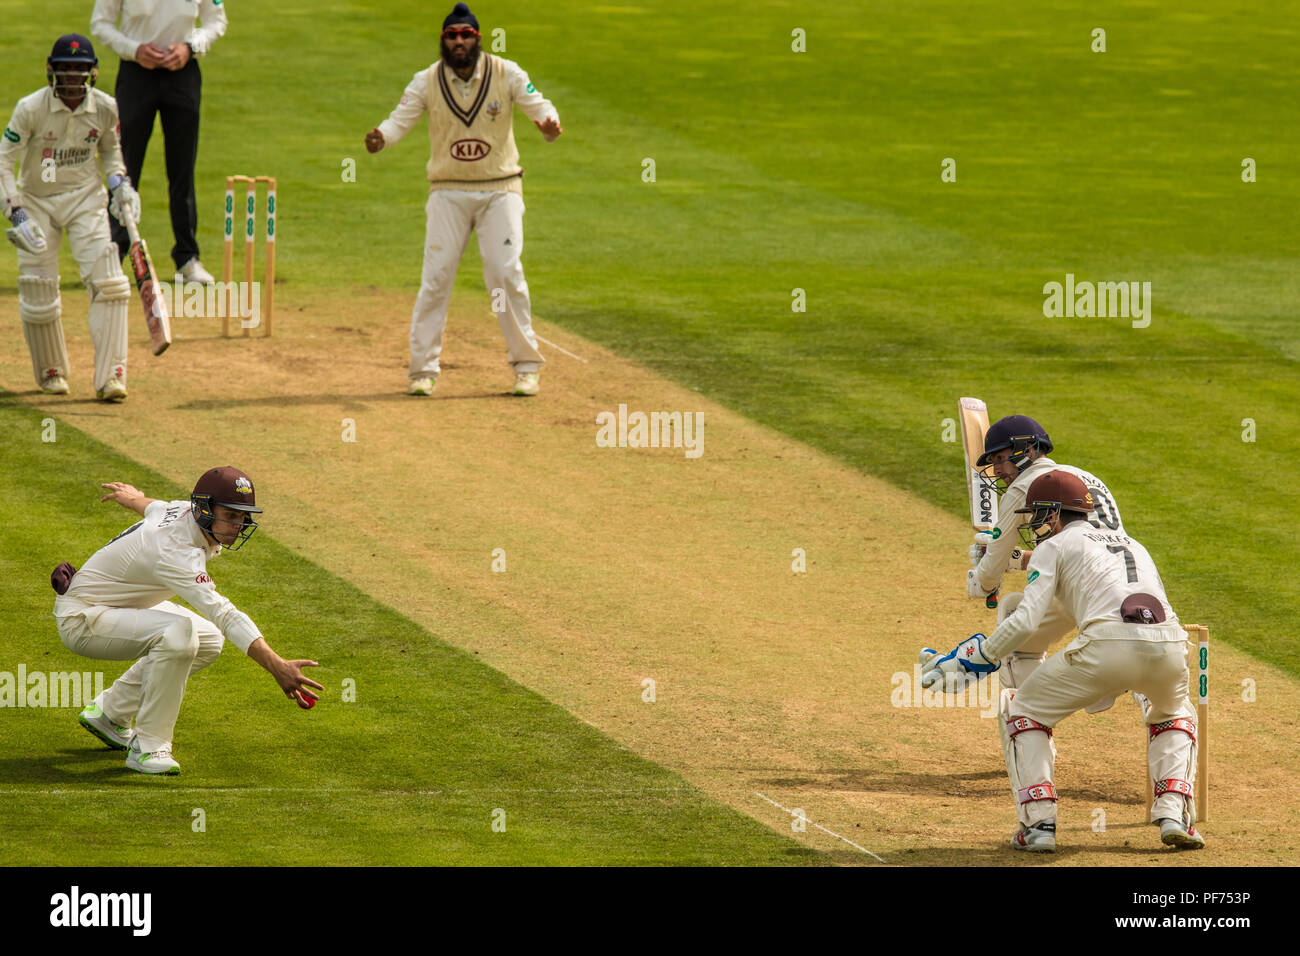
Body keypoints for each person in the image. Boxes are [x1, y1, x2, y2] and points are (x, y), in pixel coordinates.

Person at [923, 471, 1204, 852]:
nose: (1035, 525)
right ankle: (1173, 814)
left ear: (1055, 514)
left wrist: (976, 659)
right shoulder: (1134, 543)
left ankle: (1039, 825)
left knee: (1023, 709)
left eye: (1038, 515)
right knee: (1175, 713)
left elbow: (1025, 620)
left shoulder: (1052, 547)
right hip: (1171, 647)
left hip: (1107, 647)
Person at [52, 467, 322, 775]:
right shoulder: (175, 551)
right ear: (204, 510)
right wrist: (277, 665)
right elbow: (225, 614)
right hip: (83, 619)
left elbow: (152, 507)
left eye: (243, 517)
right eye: (231, 516)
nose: (238, 525)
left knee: (207, 639)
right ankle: (148, 747)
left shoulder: (182, 511)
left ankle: (110, 714)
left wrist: (132, 498)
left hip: (116, 605)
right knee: (179, 634)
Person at [364, 2, 563, 397]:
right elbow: (398, 119)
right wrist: (381, 138)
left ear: (477, 39)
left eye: (465, 35)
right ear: (443, 40)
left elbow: (539, 106)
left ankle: (526, 365)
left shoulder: (507, 72)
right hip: (448, 191)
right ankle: (422, 370)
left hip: (500, 187)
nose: (458, 42)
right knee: (436, 277)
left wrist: (550, 126)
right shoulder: (426, 80)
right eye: (451, 36)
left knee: (504, 272)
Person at [1, 34, 138, 401]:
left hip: (85, 200)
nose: (73, 77)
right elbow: (4, 159)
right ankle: (51, 371)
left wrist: (121, 185)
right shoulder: (30, 108)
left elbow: (110, 153)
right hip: (37, 202)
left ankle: (112, 377)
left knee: (110, 283)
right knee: (38, 286)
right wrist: (15, 212)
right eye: (66, 69)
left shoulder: (106, 107)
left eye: (79, 69)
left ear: (91, 72)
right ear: (53, 71)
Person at [91, 0, 227, 284]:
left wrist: (190, 47)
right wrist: (134, 50)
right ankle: (114, 256)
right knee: (124, 166)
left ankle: (187, 258)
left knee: (182, 169)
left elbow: (216, 22)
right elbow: (100, 23)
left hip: (183, 74)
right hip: (136, 73)